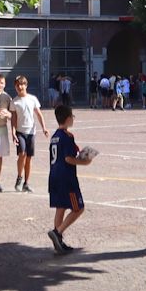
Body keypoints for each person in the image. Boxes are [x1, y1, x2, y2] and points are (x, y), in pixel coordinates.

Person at [46, 103, 90, 255]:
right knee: (78, 208)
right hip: (66, 178)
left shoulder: (54, 137)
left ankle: (59, 243)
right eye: (73, 116)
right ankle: (58, 232)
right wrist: (84, 161)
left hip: (54, 176)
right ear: (68, 118)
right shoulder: (67, 136)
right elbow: (68, 159)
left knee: (61, 207)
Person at [8, 76, 47, 193]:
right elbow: (13, 119)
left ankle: (26, 182)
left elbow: (39, 114)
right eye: (17, 85)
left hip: (31, 132)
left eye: (22, 84)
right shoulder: (14, 102)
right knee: (22, 153)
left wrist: (44, 128)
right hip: (20, 132)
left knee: (29, 158)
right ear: (15, 87)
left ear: (26, 85)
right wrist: (13, 133)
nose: (20, 87)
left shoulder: (32, 99)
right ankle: (19, 178)